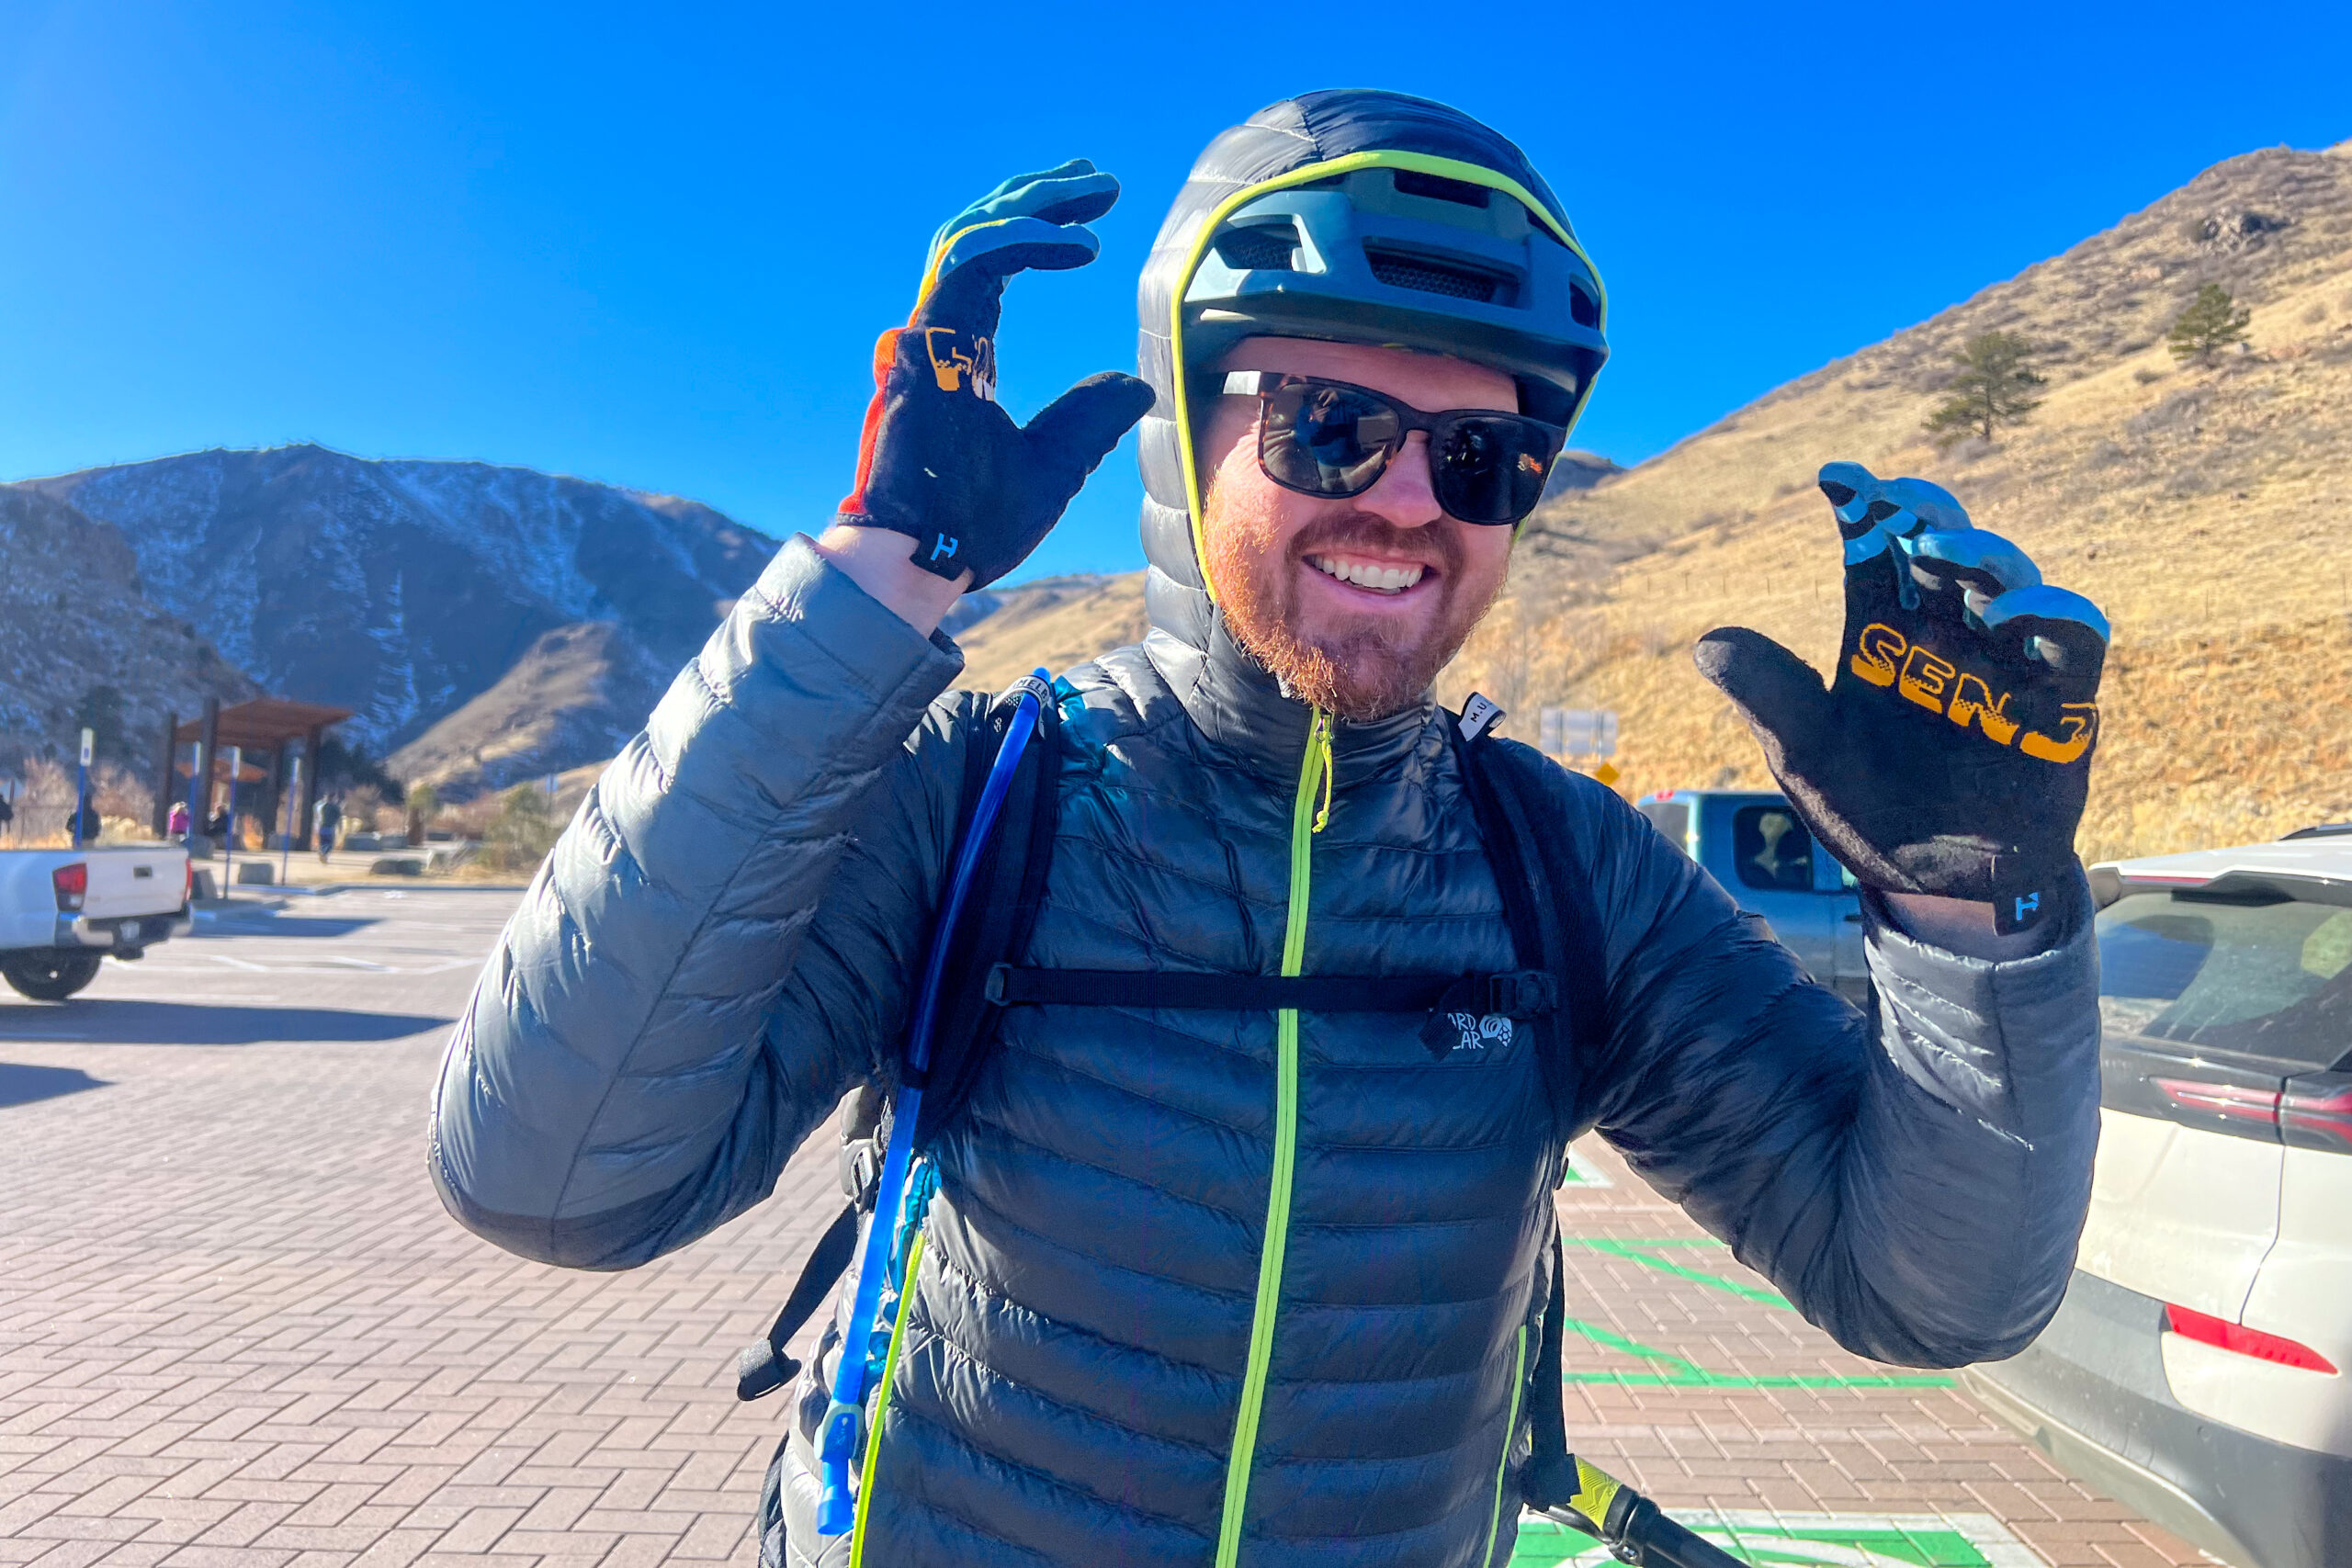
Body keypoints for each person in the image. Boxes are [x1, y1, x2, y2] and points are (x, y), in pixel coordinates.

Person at [432, 91, 2109, 1568]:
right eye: (1333, 426)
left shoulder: (1561, 870)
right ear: (1187, 427)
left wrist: (1972, 918)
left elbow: (1925, 1288)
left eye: (1481, 454)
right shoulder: (980, 799)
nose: (1405, 502)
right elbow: (554, 1178)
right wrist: (876, 583)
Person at [313, 795, 341, 860]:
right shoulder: (335, 807)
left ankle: (323, 854)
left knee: (323, 842)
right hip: (330, 827)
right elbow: (338, 815)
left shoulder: (324, 807)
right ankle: (323, 852)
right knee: (329, 844)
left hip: (322, 826)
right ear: (334, 799)